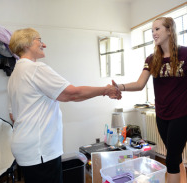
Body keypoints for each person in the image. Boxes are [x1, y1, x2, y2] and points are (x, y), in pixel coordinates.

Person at [113, 17, 187, 183]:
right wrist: (119, 86)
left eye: (157, 29)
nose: (153, 33)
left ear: (169, 30)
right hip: (162, 116)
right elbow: (140, 84)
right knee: (175, 157)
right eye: (152, 30)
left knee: (170, 160)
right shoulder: (151, 59)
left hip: (181, 116)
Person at [7, 28, 121, 183]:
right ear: (26, 43)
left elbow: (13, 116)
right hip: (39, 151)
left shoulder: (15, 74)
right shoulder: (34, 68)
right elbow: (72, 94)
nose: (44, 44)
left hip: (24, 148)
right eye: (39, 40)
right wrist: (106, 90)